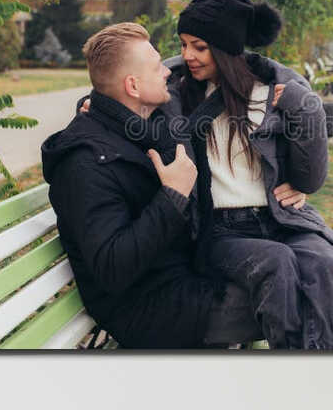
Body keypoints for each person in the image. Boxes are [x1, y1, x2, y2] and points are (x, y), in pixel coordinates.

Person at [38, 22, 262, 349]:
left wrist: (271, 96)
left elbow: (195, 100)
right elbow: (113, 267)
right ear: (133, 85)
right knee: (293, 297)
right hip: (147, 309)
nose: (167, 72)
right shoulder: (84, 163)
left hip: (183, 280)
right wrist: (172, 196)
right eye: (157, 66)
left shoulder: (141, 126)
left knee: (298, 276)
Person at [168, 0, 333, 350]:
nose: (187, 55)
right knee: (277, 262)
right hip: (221, 231)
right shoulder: (177, 89)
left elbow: (310, 179)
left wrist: (305, 106)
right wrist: (90, 102)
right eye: (184, 44)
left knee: (323, 266)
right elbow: (123, 86)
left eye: (199, 46)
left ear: (225, 47)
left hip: (281, 219)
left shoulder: (276, 90)